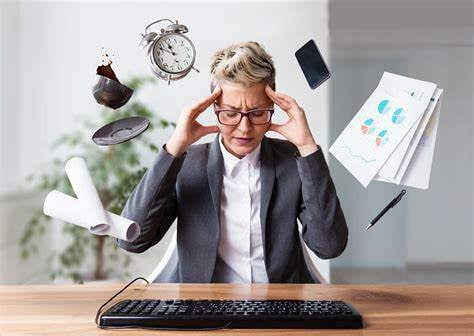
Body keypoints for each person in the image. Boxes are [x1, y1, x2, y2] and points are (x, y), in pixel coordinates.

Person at [117, 41, 348, 283]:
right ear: (214, 107)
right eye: (230, 113)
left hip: (279, 307)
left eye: (258, 113)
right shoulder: (188, 164)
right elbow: (131, 240)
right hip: (204, 309)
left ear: (273, 107)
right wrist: (175, 147)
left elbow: (329, 246)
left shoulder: (292, 160)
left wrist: (307, 146)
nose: (244, 128)